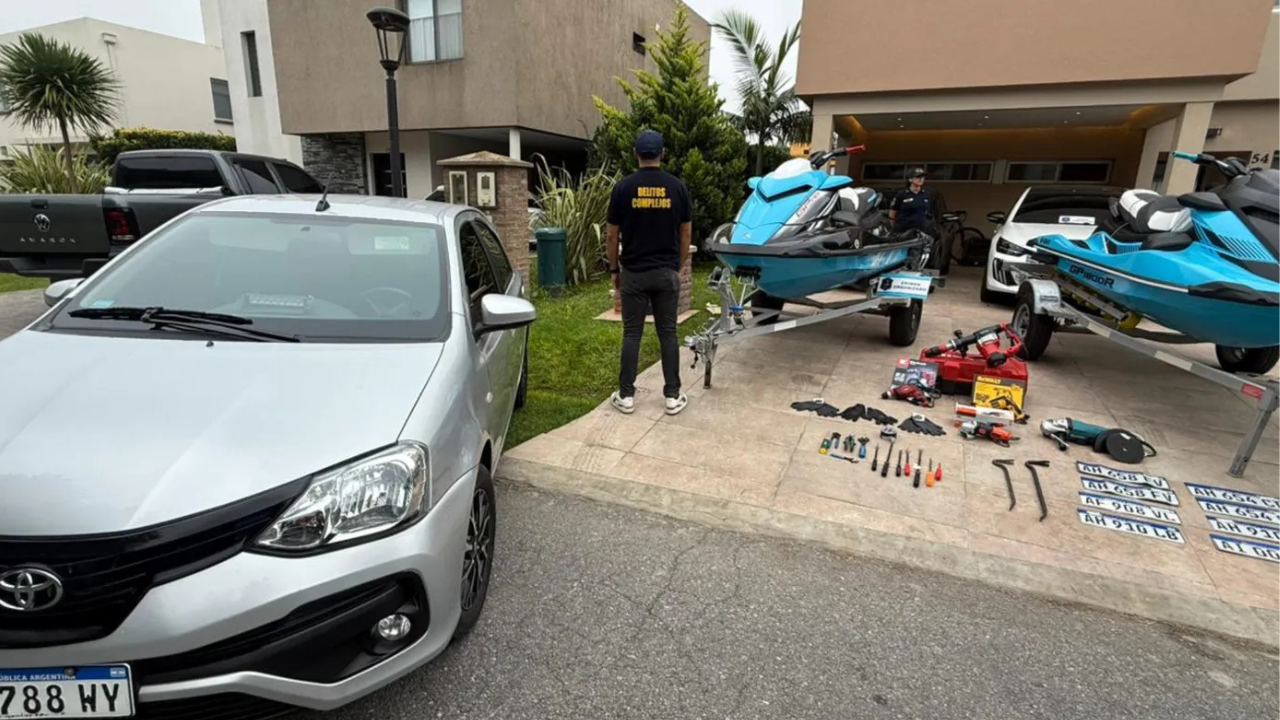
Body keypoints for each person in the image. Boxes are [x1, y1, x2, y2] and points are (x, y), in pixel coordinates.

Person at [605, 129, 692, 416]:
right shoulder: (677, 188)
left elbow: (611, 236)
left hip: (634, 272)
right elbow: (686, 232)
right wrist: (677, 266)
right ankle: (672, 396)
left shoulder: (623, 188)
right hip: (666, 272)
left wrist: (615, 269)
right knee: (668, 333)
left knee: (632, 333)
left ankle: (626, 396)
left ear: (636, 155)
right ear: (662, 154)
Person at [889, 168, 933, 234]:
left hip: (921, 232)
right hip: (903, 232)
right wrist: (894, 229)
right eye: (918, 177)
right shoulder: (902, 194)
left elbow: (927, 213)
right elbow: (892, 213)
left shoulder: (926, 194)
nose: (921, 179)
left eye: (923, 177)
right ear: (910, 179)